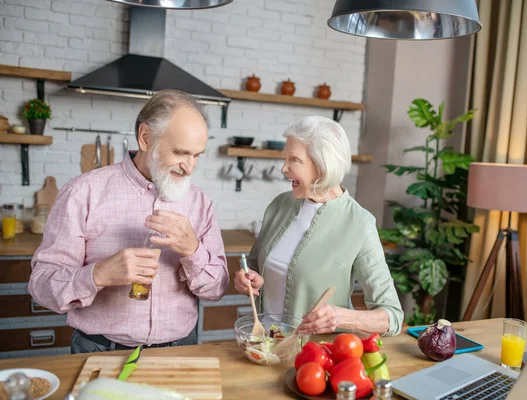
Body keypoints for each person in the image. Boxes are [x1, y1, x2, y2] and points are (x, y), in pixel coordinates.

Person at [28, 90, 229, 353]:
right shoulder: (83, 192)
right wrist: (98, 274)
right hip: (100, 349)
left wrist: (194, 251)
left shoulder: (200, 203)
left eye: (197, 155)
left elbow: (216, 289)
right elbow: (42, 285)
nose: (189, 167)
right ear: (146, 138)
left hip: (180, 350)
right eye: (181, 153)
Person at [234, 116, 403, 336]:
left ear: (323, 165)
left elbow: (392, 317)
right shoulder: (279, 205)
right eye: (285, 158)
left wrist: (341, 316)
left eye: (294, 159)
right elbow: (255, 265)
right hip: (266, 344)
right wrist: (250, 279)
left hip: (316, 357)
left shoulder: (359, 224)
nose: (283, 168)